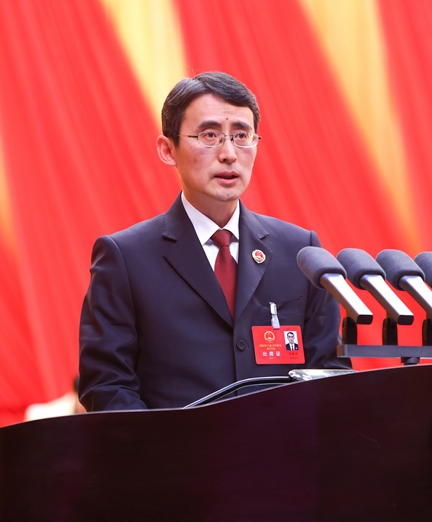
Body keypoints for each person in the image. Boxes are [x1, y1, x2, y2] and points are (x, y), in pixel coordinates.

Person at [79, 71, 344, 412]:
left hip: (282, 444)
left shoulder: (301, 252)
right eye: (209, 135)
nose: (229, 153)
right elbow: (107, 385)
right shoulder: (126, 258)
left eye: (242, 135)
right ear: (168, 149)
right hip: (174, 447)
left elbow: (329, 373)